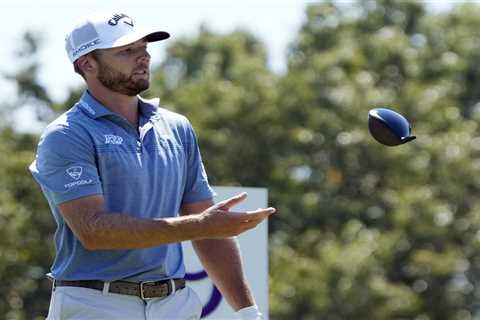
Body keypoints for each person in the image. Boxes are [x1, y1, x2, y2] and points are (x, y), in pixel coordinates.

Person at [29, 11, 275, 320]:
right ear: (87, 64)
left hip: (174, 304)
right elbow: (94, 231)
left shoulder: (177, 127)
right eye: (126, 51)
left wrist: (249, 313)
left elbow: (208, 226)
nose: (143, 56)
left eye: (144, 47)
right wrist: (202, 225)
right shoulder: (66, 135)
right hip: (95, 304)